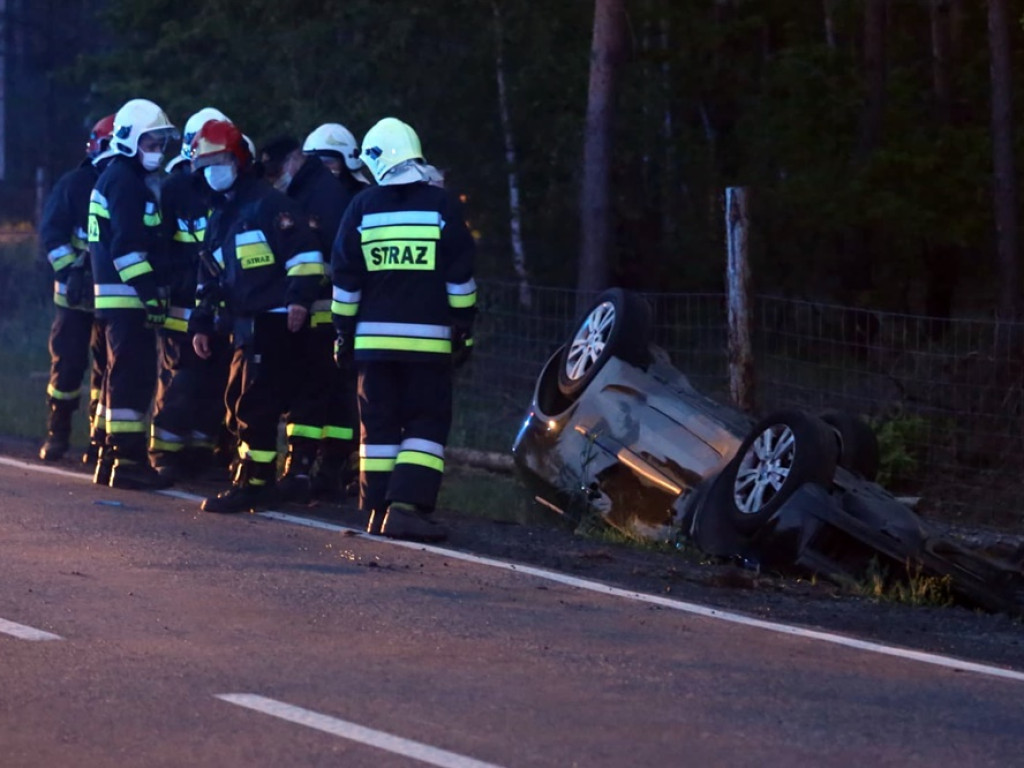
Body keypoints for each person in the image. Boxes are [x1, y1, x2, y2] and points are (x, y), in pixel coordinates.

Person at [331, 117, 476, 542]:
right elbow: (460, 279)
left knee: (377, 426)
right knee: (425, 422)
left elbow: (345, 280)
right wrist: (464, 327)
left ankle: (377, 509)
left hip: (372, 346)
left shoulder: (361, 207)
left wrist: (343, 334)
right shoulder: (442, 205)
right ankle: (407, 508)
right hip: (427, 345)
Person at [188, 120, 326, 513]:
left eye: (221, 161)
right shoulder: (221, 216)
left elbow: (305, 256)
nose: (213, 171)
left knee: (256, 403)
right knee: (239, 400)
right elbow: (210, 275)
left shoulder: (270, 205)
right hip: (243, 323)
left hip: (274, 320)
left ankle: (254, 483)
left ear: (241, 160)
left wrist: (299, 299)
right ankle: (252, 476)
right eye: (206, 164)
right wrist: (201, 321)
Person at [269, 125, 369, 504]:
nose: (326, 170)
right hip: (310, 310)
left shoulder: (354, 200)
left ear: (348, 164)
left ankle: (325, 468)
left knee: (333, 394)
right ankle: (307, 468)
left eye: (332, 162)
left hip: (337, 314)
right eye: (319, 162)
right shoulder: (305, 197)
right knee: (312, 393)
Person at [88, 98, 177, 490]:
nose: (157, 151)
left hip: (115, 299)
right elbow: (126, 248)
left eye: (160, 143)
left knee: (117, 376)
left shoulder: (116, 177)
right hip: (127, 298)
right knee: (133, 378)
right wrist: (150, 294)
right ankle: (128, 462)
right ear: (127, 141)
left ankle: (111, 454)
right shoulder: (126, 182)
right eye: (150, 143)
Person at [149, 107, 233, 481]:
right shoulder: (174, 190)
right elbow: (159, 247)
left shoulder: (228, 192)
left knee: (215, 381)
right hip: (182, 306)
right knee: (180, 380)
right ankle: (165, 453)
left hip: (219, 307)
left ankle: (201, 453)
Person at [37, 114, 116, 463]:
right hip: (73, 298)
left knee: (107, 368)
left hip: (113, 296)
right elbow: (51, 235)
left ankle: (98, 438)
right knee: (68, 366)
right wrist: (71, 272)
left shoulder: (128, 186)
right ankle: (58, 431)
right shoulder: (74, 184)